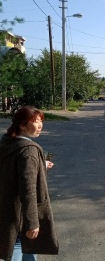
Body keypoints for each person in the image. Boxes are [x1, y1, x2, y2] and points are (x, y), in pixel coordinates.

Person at [0, 106, 59, 261]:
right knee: (19, 248)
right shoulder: (29, 151)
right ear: (22, 125)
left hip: (6, 211)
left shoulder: (7, 143)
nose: (40, 126)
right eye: (35, 122)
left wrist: (40, 165)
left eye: (41, 122)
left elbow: (13, 170)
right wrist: (33, 222)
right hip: (21, 218)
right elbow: (28, 190)